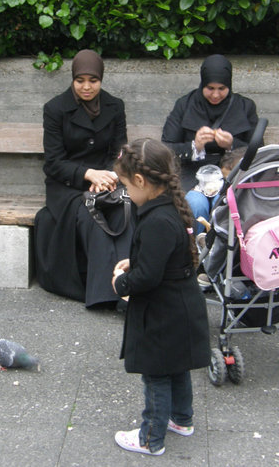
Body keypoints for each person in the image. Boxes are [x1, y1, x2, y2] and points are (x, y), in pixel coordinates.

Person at [111, 138, 210, 456]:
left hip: (162, 312)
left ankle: (150, 438)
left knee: (156, 375)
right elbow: (162, 258)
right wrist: (137, 261)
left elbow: (148, 277)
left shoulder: (156, 220)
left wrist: (122, 282)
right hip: (181, 304)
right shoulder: (170, 206)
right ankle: (181, 420)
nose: (127, 192)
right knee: (177, 366)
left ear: (140, 181)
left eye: (126, 186)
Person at [34, 49, 131, 309]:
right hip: (67, 187)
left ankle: (130, 285)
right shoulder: (55, 109)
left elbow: (118, 153)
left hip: (106, 182)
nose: (86, 87)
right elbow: (54, 163)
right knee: (92, 215)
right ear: (73, 79)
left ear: (101, 79)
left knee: (125, 209)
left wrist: (109, 175)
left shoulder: (115, 106)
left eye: (93, 81)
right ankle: (106, 293)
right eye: (80, 81)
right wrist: (87, 174)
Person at [161, 54, 259, 232]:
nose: (215, 94)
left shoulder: (245, 107)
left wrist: (232, 145)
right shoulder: (185, 104)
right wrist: (194, 147)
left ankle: (221, 255)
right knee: (195, 203)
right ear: (202, 84)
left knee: (224, 202)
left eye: (222, 88)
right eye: (210, 88)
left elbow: (257, 150)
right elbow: (166, 147)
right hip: (192, 174)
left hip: (230, 174)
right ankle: (198, 252)